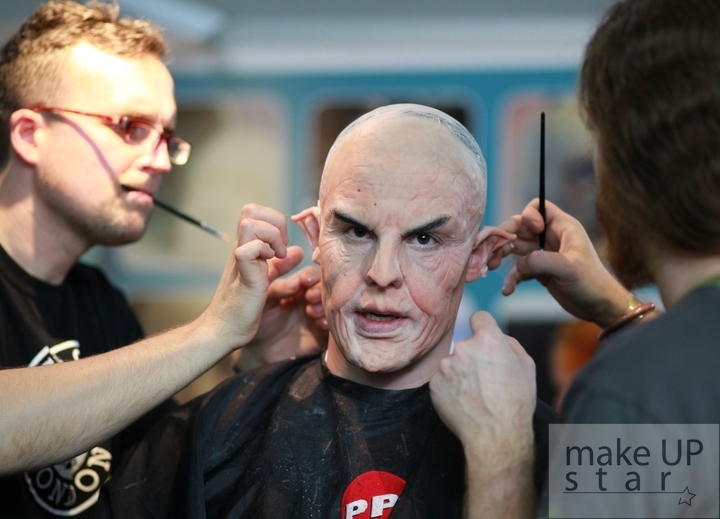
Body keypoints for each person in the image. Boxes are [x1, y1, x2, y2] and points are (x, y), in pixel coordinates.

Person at [100, 104, 558, 519]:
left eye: (424, 239)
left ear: (478, 257)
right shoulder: (209, 429)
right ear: (315, 235)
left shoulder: (568, 443)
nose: (382, 274)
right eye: (357, 232)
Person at [0, 1, 323, 517]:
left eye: (167, 137)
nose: (159, 161)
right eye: (129, 125)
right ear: (30, 135)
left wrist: (260, 357)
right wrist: (215, 329)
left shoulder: (101, 303)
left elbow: (168, 471)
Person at [429, 0, 720, 517]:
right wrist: (621, 311)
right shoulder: (653, 385)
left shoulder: (626, 393)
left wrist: (501, 450)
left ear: (627, 159)